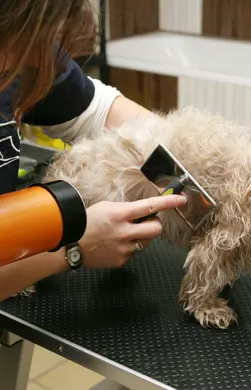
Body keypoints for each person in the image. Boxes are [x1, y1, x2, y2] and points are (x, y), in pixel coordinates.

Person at [0, 0, 186, 300]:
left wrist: (184, 154)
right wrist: (73, 250)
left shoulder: (29, 49)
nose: (40, 58)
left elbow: (97, 113)